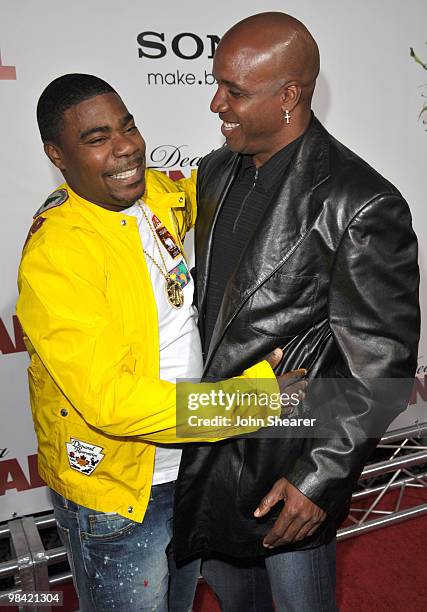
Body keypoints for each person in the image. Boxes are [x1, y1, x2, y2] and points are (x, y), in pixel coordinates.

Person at [16, 73, 296, 612]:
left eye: (128, 127)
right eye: (97, 139)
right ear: (57, 154)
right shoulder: (58, 256)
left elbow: (215, 191)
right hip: (120, 494)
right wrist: (250, 400)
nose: (125, 148)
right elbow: (112, 403)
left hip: (185, 467)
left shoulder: (157, 195)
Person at [173, 12, 420, 612]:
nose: (215, 104)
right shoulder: (213, 171)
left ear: (289, 96)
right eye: (216, 84)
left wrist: (319, 480)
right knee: (238, 601)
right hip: (212, 445)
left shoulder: (360, 203)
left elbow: (381, 367)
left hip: (290, 462)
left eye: (234, 91)